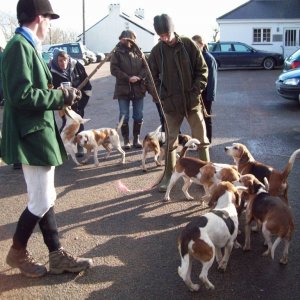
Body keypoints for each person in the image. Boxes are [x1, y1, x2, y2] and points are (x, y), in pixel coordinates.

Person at [0, 0, 93, 278]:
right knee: (41, 201)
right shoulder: (18, 47)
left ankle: (57, 255)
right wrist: (59, 97)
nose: (50, 24)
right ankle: (17, 252)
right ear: (39, 17)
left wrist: (61, 93)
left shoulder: (26, 45)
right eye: (49, 19)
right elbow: (21, 96)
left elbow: (32, 90)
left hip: (36, 133)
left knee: (46, 197)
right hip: (32, 136)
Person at [148, 14, 210, 192]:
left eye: (166, 34)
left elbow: (202, 69)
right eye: (161, 36)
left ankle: (207, 175)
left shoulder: (188, 44)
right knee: (170, 141)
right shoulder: (156, 51)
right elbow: (151, 78)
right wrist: (162, 96)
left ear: (172, 29)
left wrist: (195, 91)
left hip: (192, 103)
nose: (164, 38)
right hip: (171, 106)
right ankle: (168, 176)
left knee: (201, 140)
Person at [49, 48, 92, 157]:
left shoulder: (77, 67)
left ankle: (80, 146)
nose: (63, 63)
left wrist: (82, 104)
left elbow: (87, 87)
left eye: (65, 60)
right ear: (55, 61)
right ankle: (58, 148)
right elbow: (49, 89)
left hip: (79, 103)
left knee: (79, 123)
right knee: (66, 125)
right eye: (60, 61)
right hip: (64, 106)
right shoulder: (51, 71)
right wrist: (58, 96)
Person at [110, 30, 147, 150]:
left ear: (131, 39)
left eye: (124, 38)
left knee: (138, 115)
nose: (122, 40)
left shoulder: (139, 51)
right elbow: (114, 69)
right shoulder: (117, 52)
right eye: (121, 38)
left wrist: (139, 77)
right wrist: (128, 78)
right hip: (123, 88)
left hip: (138, 88)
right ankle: (126, 140)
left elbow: (146, 67)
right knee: (123, 116)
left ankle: (136, 139)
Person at [192, 35, 217, 143]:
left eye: (195, 45)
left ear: (201, 44)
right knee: (199, 118)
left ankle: (208, 140)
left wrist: (209, 96)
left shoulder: (208, 58)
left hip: (206, 94)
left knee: (206, 118)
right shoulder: (198, 56)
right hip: (199, 93)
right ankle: (202, 139)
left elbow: (212, 80)